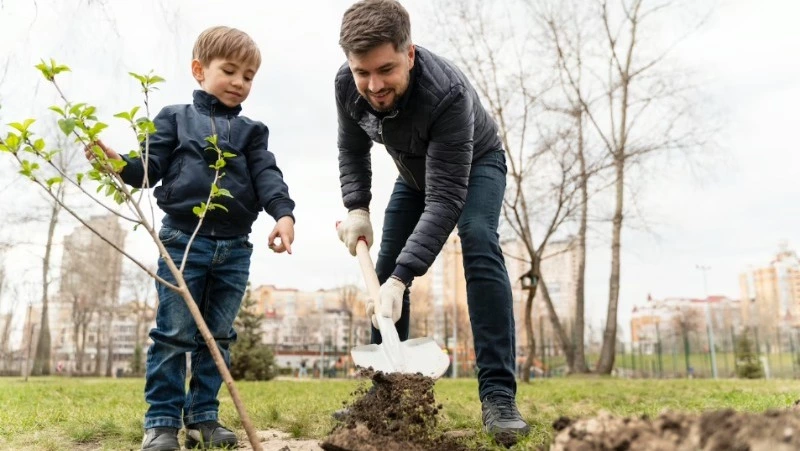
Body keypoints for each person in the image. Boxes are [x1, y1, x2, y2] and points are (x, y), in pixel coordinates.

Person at [85, 26, 296, 451]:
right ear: (200, 70)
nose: (240, 83)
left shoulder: (253, 132)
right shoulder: (175, 118)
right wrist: (118, 164)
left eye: (249, 76)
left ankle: (204, 418)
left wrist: (284, 214)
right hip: (184, 240)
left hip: (235, 249)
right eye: (230, 71)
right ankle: (161, 422)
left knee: (217, 336)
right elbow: (147, 168)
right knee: (174, 333)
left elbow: (267, 176)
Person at [334, 0, 529, 443]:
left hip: (476, 164)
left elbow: (445, 199)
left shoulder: (447, 93)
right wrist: (357, 208)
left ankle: (498, 396)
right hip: (413, 170)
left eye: (386, 69)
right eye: (363, 72)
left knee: (478, 238)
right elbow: (351, 149)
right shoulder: (347, 84)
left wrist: (404, 279)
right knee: (384, 267)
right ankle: (384, 396)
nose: (374, 85)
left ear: (410, 54)